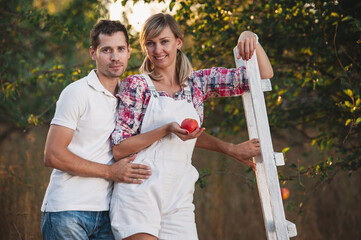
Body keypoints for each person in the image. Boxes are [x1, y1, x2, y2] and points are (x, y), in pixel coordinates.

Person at [110, 13, 273, 240]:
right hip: (139, 191)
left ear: (178, 42)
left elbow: (262, 76)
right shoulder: (137, 86)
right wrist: (165, 129)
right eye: (150, 43)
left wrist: (250, 36)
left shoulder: (198, 83)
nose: (158, 50)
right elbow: (119, 148)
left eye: (164, 41)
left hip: (179, 195)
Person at [40, 20, 152, 240]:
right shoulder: (77, 93)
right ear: (93, 53)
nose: (115, 57)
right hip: (68, 211)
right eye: (106, 50)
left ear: (129, 51)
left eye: (120, 49)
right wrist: (110, 172)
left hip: (109, 213)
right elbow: (52, 155)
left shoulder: (131, 98)